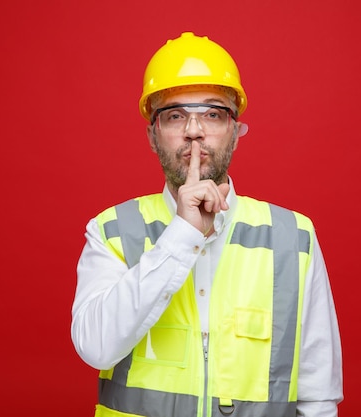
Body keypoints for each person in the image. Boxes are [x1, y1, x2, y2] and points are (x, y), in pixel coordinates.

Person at [71, 32, 343, 417]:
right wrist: (182, 234)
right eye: (175, 115)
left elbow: (318, 399)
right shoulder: (112, 231)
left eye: (213, 114)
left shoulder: (294, 238)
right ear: (153, 135)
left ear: (235, 131)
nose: (194, 131)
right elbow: (95, 346)